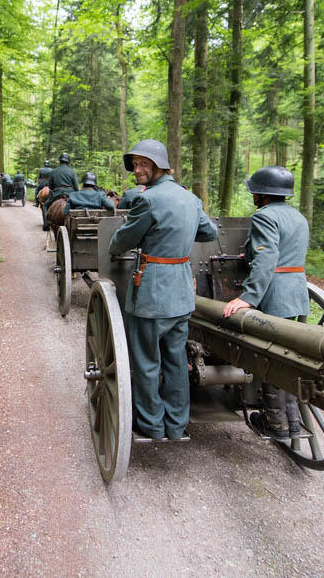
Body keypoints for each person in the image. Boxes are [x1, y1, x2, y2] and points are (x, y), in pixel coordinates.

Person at [108, 139, 217, 441]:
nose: (138, 170)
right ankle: (176, 424)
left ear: (159, 166)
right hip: (181, 292)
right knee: (175, 361)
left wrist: (114, 245)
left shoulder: (148, 200)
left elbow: (123, 240)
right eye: (135, 164)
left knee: (145, 362)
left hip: (152, 292)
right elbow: (209, 232)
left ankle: (152, 426)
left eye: (144, 164)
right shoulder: (190, 199)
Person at [221, 165, 310, 441]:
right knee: (287, 356)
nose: (253, 196)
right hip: (296, 292)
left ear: (262, 194)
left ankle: (276, 425)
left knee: (270, 358)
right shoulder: (298, 218)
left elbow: (267, 259)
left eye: (254, 192)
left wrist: (247, 297)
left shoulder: (264, 217)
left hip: (273, 294)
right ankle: (292, 422)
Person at [43, 152, 79, 230]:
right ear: (68, 161)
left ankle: (46, 225)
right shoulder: (72, 171)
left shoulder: (53, 171)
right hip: (70, 194)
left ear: (60, 161)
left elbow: (50, 186)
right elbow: (76, 187)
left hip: (57, 193)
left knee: (45, 206)